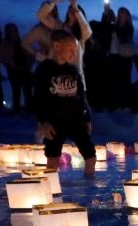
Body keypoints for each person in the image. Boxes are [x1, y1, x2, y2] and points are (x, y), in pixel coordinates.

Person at [34, 30, 95, 176]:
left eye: (75, 51)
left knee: (91, 156)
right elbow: (37, 98)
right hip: (54, 121)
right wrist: (43, 122)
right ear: (57, 46)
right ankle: (50, 190)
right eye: (71, 50)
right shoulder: (45, 69)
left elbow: (81, 96)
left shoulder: (73, 70)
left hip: (75, 119)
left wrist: (87, 119)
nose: (74, 54)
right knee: (53, 158)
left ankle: (89, 189)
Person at [0, 23, 33, 112]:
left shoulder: (22, 42)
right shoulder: (5, 43)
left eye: (15, 30)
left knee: (27, 90)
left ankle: (29, 109)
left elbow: (30, 54)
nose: (14, 32)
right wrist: (9, 62)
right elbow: (0, 57)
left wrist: (29, 62)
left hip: (24, 69)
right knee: (16, 91)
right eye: (12, 30)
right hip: (13, 70)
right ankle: (17, 109)